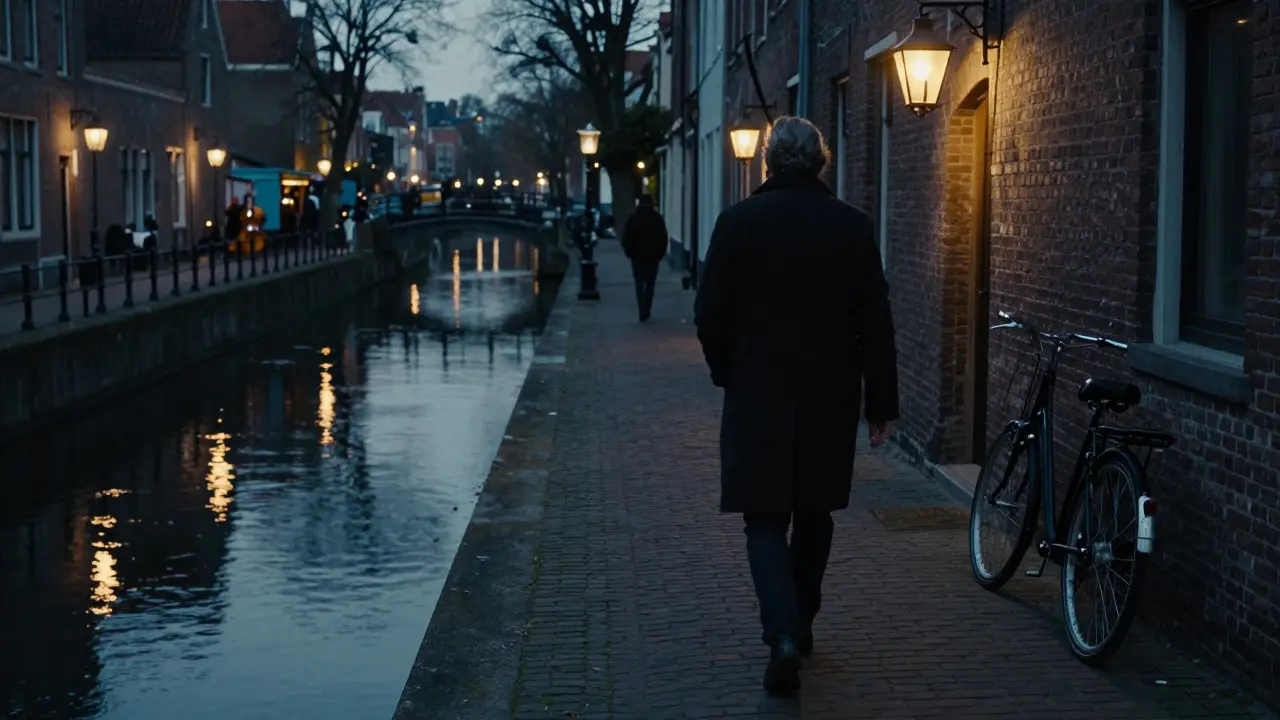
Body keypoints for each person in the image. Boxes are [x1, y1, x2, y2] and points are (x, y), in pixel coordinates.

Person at [693, 116, 900, 697]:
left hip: (757, 391)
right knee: (815, 513)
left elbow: (710, 312)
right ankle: (801, 620)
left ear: (767, 162)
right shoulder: (853, 227)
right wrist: (880, 403)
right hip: (829, 396)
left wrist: (724, 369)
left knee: (763, 516)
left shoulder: (737, 224)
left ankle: (782, 633)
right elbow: (874, 323)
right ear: (820, 163)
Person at [620, 194, 669, 321]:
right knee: (650, 284)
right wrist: (660, 254)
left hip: (637, 257)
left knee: (639, 283)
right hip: (653, 257)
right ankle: (647, 307)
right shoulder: (657, 218)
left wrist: (629, 252)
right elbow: (663, 237)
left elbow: (626, 238)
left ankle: (642, 309)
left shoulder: (633, 218)